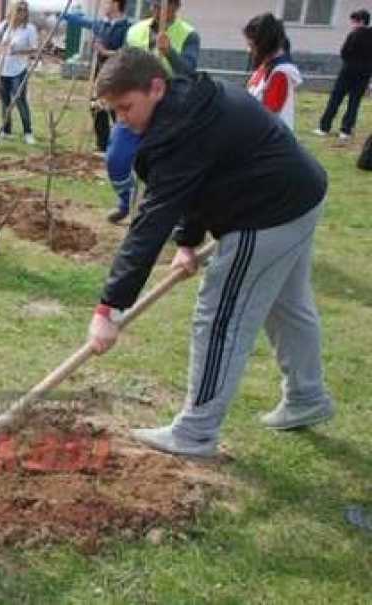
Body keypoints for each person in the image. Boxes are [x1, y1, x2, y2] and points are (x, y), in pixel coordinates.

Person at [87, 48, 332, 458]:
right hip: (300, 194)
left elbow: (150, 222)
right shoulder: (190, 104)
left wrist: (108, 309)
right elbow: (202, 177)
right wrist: (187, 241)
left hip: (267, 213)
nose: (122, 119)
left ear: (157, 87)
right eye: (115, 111)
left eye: (127, 107)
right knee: (288, 306)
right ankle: (307, 397)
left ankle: (195, 432)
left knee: (220, 317)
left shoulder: (179, 131)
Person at [104, 0, 199, 225]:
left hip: (168, 108)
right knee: (116, 157)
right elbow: (123, 65)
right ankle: (126, 202)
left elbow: (188, 72)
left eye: (164, 5)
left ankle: (174, 217)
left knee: (167, 165)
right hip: (135, 105)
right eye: (155, 5)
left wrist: (170, 54)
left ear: (176, 6)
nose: (158, 10)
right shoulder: (135, 30)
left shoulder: (189, 35)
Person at [63, 0, 130, 152]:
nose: (104, 6)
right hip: (99, 72)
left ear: (116, 4)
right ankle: (103, 144)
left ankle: (122, 144)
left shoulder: (126, 27)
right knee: (96, 106)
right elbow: (83, 21)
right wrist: (65, 15)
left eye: (107, 3)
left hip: (117, 73)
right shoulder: (101, 25)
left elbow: (126, 52)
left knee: (116, 109)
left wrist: (104, 51)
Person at [315, 9, 372, 141]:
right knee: (354, 103)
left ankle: (324, 127)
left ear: (361, 21)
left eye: (353, 21)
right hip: (364, 74)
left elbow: (344, 52)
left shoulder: (354, 34)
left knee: (335, 100)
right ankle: (345, 131)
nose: (352, 24)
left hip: (348, 73)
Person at [0, 0, 39, 145]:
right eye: (19, 9)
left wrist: (16, 50)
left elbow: (34, 48)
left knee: (20, 100)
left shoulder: (29, 29)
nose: (21, 13)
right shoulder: (5, 25)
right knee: (4, 101)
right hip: (3, 69)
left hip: (18, 69)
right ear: (12, 11)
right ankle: (6, 130)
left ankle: (28, 132)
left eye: (24, 10)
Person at [244, 13, 300, 130]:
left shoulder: (280, 73)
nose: (249, 50)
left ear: (264, 45)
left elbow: (267, 117)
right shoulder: (266, 66)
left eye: (252, 45)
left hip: (270, 141)